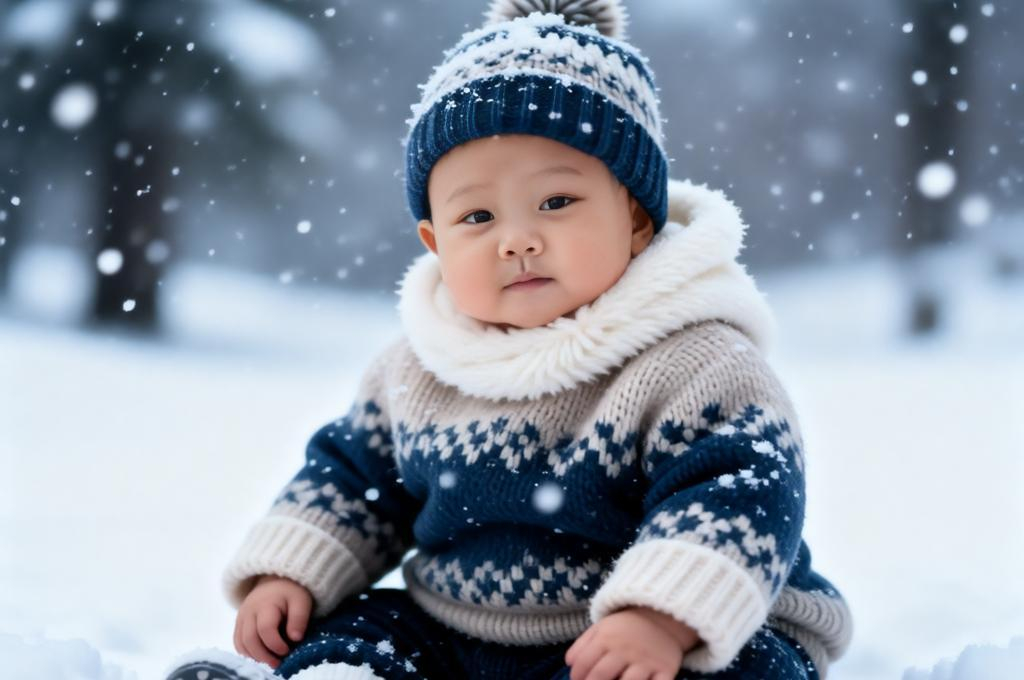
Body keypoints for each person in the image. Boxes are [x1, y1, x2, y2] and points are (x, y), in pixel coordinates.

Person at [163, 2, 853, 679]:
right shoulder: (421, 366)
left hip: (660, 640)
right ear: (435, 243)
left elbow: (739, 492)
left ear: (637, 221)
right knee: (359, 631)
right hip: (455, 629)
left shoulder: (697, 361)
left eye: (556, 202)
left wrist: (659, 616)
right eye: (477, 216)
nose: (517, 238)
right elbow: (354, 478)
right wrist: (294, 568)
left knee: (744, 668)